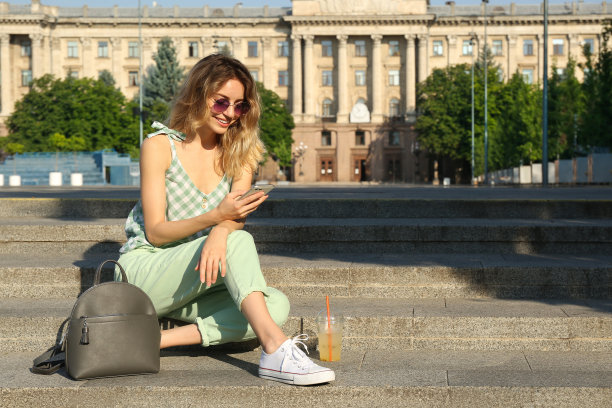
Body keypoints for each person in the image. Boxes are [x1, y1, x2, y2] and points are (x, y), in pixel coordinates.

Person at [115, 54, 334, 386]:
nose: (230, 114)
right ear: (198, 96)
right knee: (239, 242)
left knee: (276, 304)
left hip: (197, 275)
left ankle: (156, 339)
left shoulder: (240, 153)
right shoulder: (160, 147)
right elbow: (157, 233)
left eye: (240, 106)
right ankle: (275, 350)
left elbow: (235, 220)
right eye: (221, 103)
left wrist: (220, 229)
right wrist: (217, 218)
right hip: (145, 273)